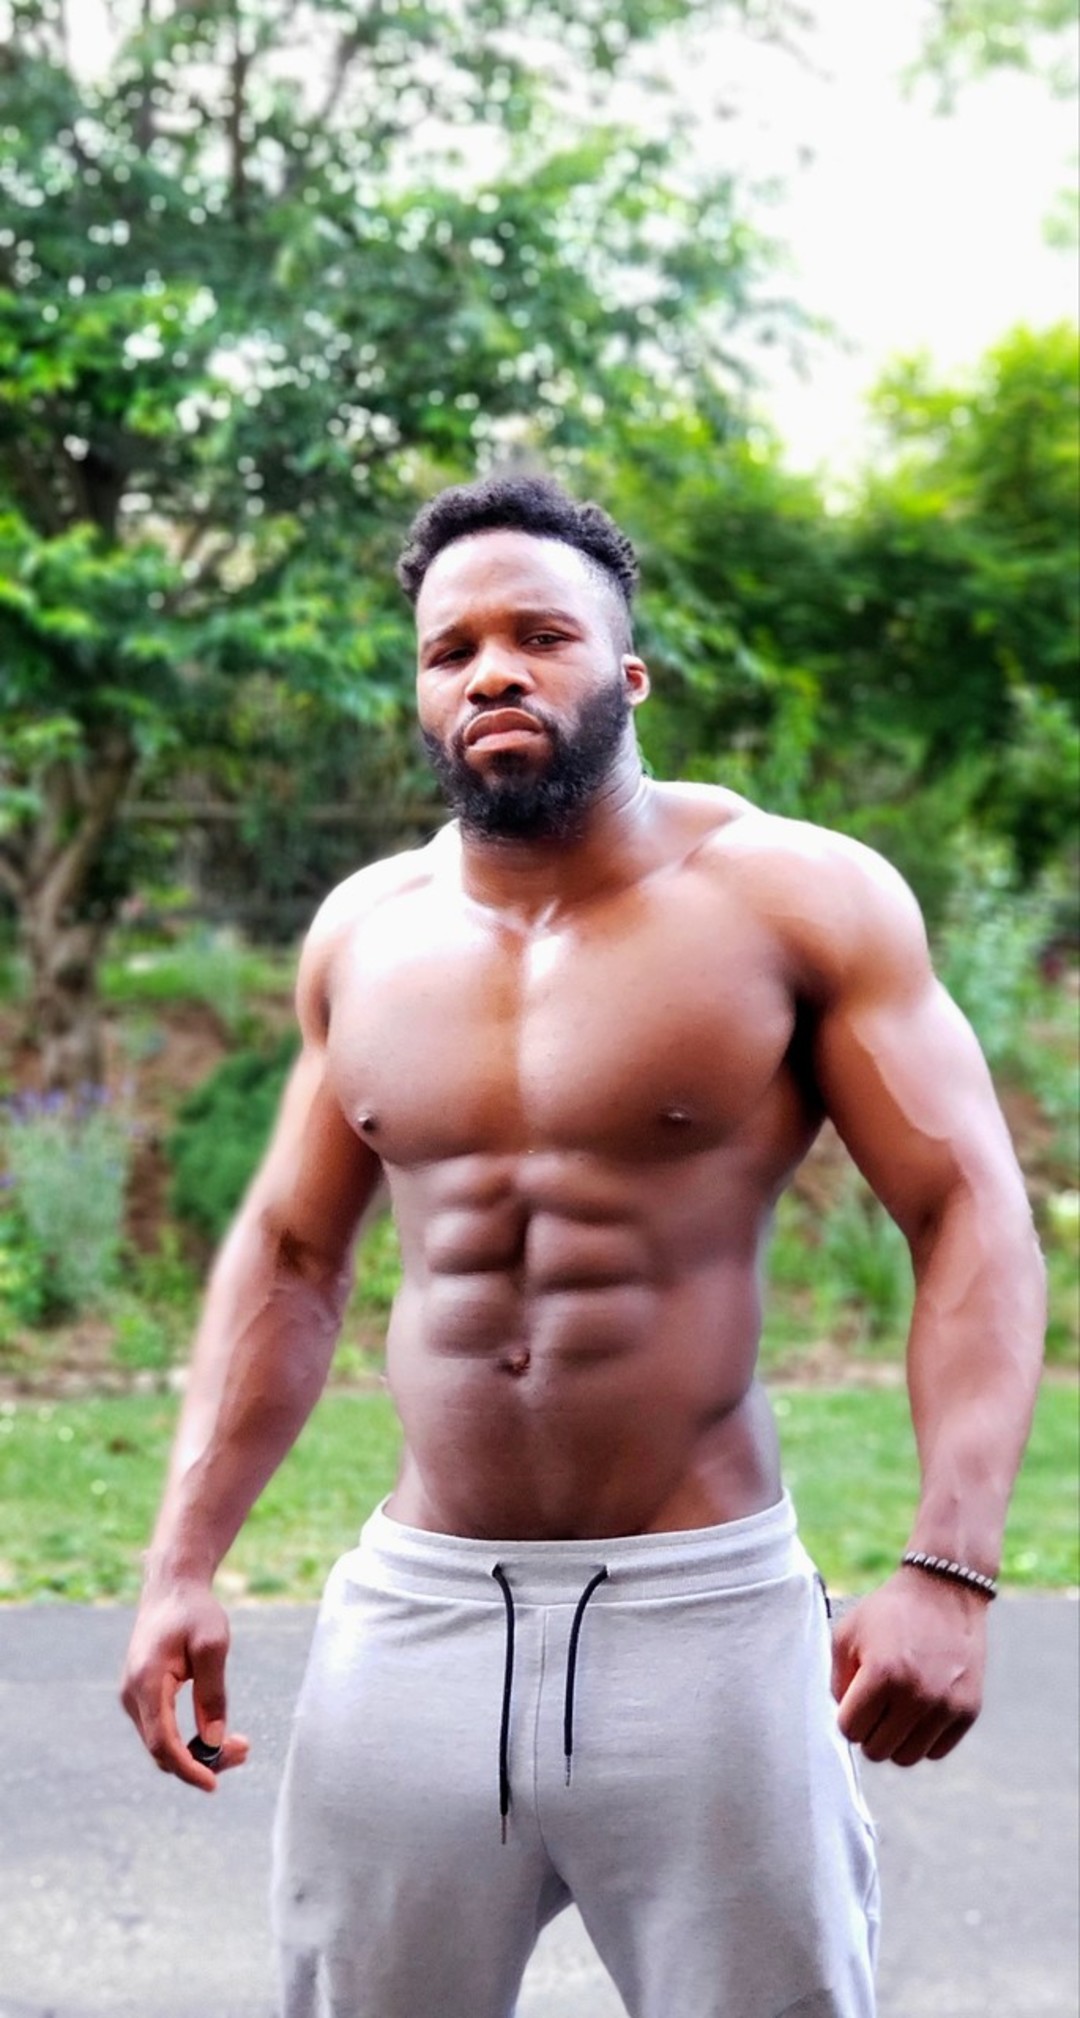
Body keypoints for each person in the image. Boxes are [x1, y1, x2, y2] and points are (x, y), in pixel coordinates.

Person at [121, 473, 1046, 2018]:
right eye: (452, 649)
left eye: (538, 636)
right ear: (422, 690)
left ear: (627, 671)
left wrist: (950, 1565)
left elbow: (969, 1214)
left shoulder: (797, 898)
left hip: (706, 1616)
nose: (492, 670)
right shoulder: (365, 932)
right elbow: (289, 1255)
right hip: (418, 1611)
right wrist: (179, 1564)